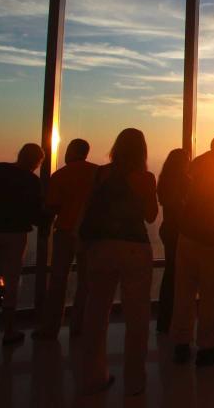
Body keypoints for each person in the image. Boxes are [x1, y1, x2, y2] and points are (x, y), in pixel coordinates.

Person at [79, 128, 158, 396]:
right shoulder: (145, 178)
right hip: (134, 247)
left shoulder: (101, 174)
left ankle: (93, 377)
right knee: (137, 319)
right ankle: (135, 381)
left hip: (101, 248)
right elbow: (150, 216)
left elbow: (89, 209)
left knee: (96, 315)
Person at [171, 136, 214, 366]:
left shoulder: (196, 164)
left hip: (187, 236)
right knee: (211, 296)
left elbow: (182, 198)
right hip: (212, 240)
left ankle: (181, 343)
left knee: (184, 292)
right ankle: (207, 347)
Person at [33, 138, 97, 341]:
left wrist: (44, 227)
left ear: (70, 151)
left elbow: (52, 207)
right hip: (90, 234)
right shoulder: (98, 174)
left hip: (65, 232)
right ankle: (79, 327)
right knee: (86, 283)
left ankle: (50, 327)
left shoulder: (60, 175)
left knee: (58, 280)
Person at [0, 142, 44, 345]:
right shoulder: (33, 182)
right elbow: (37, 213)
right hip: (16, 234)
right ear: (36, 162)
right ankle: (9, 329)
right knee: (11, 279)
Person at [156, 148, 190, 334]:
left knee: (170, 273)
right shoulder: (185, 182)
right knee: (181, 276)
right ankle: (178, 319)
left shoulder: (164, 181)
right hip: (181, 230)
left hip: (168, 229)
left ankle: (165, 319)